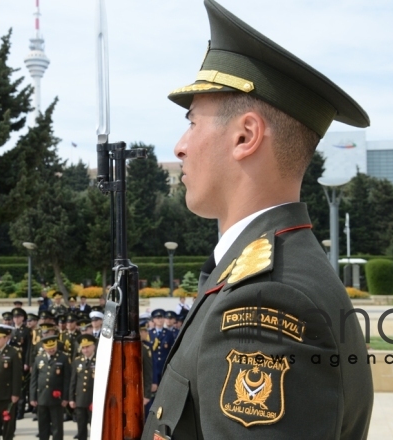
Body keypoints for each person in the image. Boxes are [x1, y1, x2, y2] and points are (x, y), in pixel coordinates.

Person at [141, 1, 373, 438]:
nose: (180, 146)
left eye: (192, 123)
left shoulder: (264, 301)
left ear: (245, 136)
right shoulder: (264, 273)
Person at [30, 335, 71, 440]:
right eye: (49, 348)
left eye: (53, 346)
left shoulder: (63, 358)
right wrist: (32, 397)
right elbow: (34, 380)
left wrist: (66, 398)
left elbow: (67, 380)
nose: (51, 349)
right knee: (43, 426)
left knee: (57, 427)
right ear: (44, 347)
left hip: (57, 399)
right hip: (42, 398)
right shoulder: (39, 358)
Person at [69, 335, 96, 440]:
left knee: (94, 427)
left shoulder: (100, 360)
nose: (85, 350)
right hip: (80, 400)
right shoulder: (77, 361)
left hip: (93, 400)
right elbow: (73, 381)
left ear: (93, 346)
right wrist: (71, 398)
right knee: (81, 428)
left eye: (88, 347)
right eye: (83, 347)